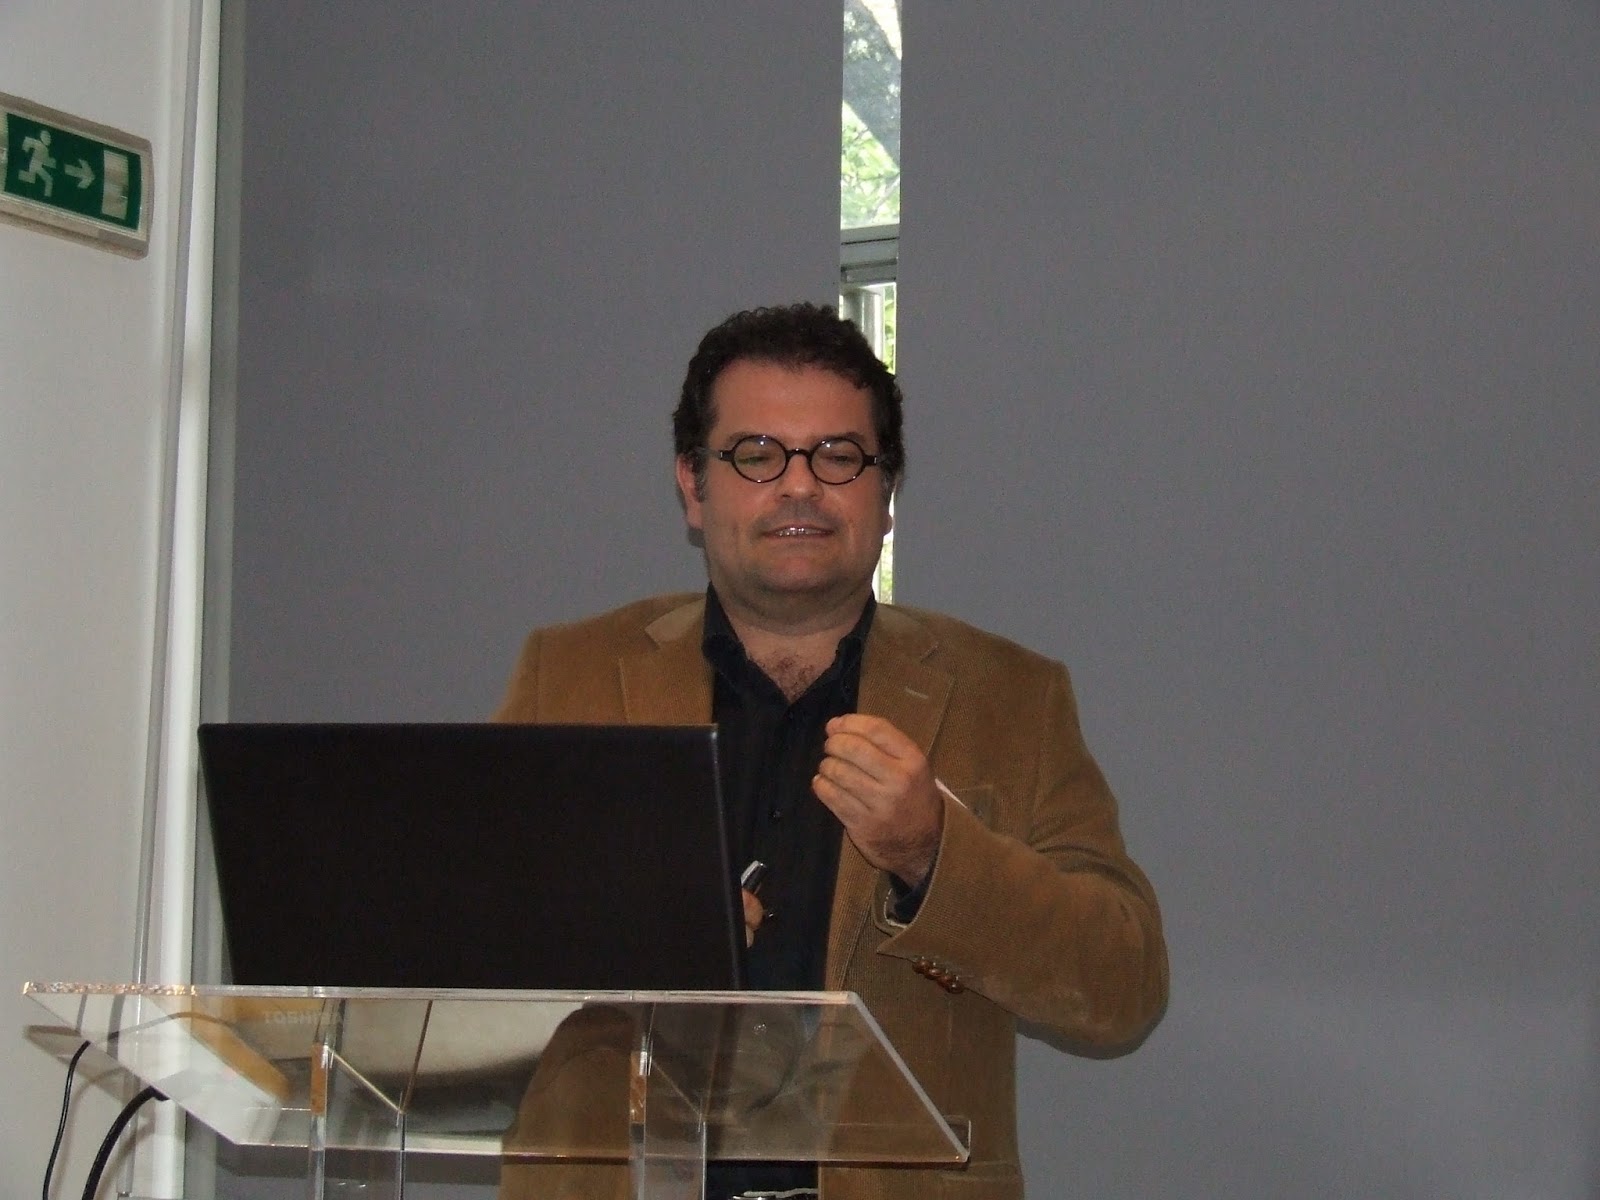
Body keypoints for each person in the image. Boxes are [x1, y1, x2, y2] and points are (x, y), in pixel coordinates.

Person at [496, 303, 1167, 1200]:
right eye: (756, 454)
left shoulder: (1012, 698)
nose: (800, 486)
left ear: (885, 494)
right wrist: (629, 929)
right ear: (693, 486)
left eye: (839, 456)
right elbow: (456, 953)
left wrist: (935, 854)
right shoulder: (569, 676)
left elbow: (1122, 986)